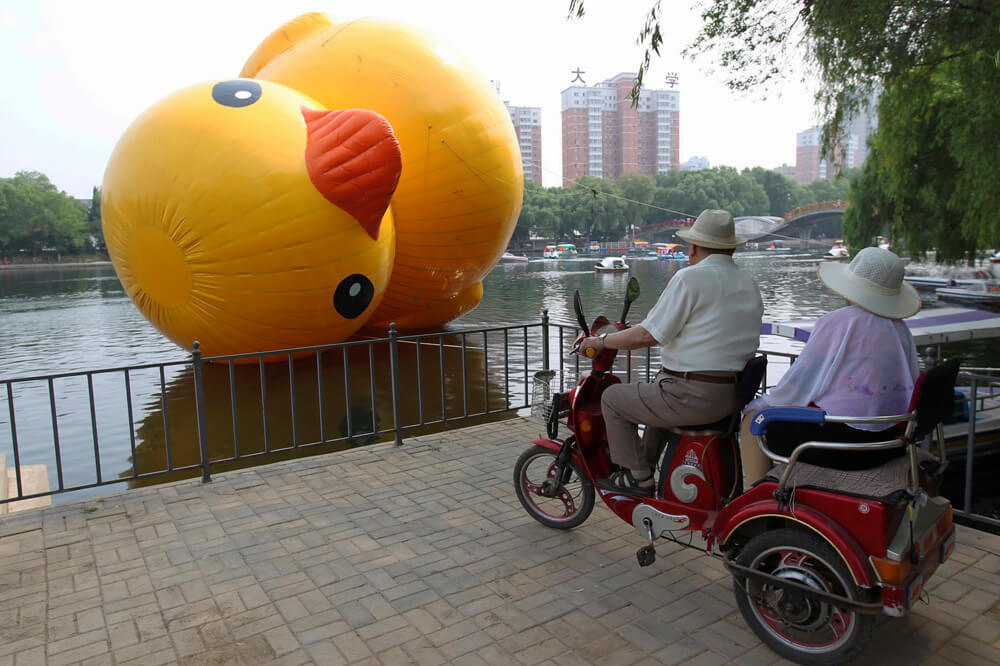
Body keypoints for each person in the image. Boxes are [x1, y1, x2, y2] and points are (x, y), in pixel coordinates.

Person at [577, 209, 764, 495]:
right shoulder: (748, 283)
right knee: (655, 387)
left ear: (693, 247)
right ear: (730, 248)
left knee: (613, 398)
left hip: (693, 395)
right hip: (731, 397)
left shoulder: (690, 278)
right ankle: (649, 469)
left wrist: (601, 342)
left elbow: (647, 334)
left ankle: (637, 479)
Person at [740, 246, 921, 483]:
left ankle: (756, 496)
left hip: (847, 443)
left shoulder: (838, 322)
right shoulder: (901, 329)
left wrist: (758, 404)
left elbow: (798, 384)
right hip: (891, 440)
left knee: (755, 417)